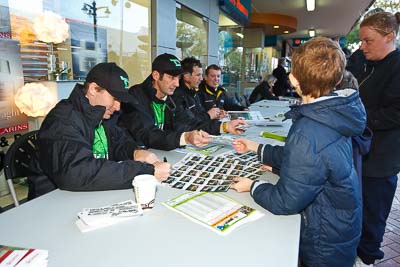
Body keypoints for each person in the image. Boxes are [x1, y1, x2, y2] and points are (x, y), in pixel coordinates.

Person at [230, 37, 366, 267]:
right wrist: (257, 148)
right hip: (338, 225)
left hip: (323, 240)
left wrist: (253, 186)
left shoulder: (309, 130)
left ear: (294, 79)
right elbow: (304, 157)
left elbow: (286, 201)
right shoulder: (331, 114)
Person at [37, 63, 171, 192]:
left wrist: (135, 152)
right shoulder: (62, 120)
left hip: (90, 193)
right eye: (115, 98)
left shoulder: (104, 115)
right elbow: (77, 171)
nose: (118, 107)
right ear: (93, 89)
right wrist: (145, 172)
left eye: (121, 101)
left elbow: (119, 143)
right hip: (50, 203)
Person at [351, 12, 400, 267]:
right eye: (361, 40)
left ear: (389, 37)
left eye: (368, 41)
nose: (362, 46)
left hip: (381, 160)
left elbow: (395, 113)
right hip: (360, 153)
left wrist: (355, 115)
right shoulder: (365, 61)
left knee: (373, 214)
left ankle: (367, 258)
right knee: (357, 210)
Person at [120, 53, 217, 151]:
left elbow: (188, 123)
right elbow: (148, 134)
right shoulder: (136, 96)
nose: (177, 84)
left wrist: (223, 126)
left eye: (178, 78)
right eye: (171, 77)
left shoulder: (170, 98)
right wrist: (185, 138)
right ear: (156, 75)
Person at [171, 57, 247, 135]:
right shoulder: (179, 96)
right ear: (186, 76)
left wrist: (216, 115)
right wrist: (209, 116)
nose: (201, 78)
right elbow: (189, 124)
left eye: (218, 76)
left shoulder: (193, 92)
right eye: (198, 75)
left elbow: (200, 115)